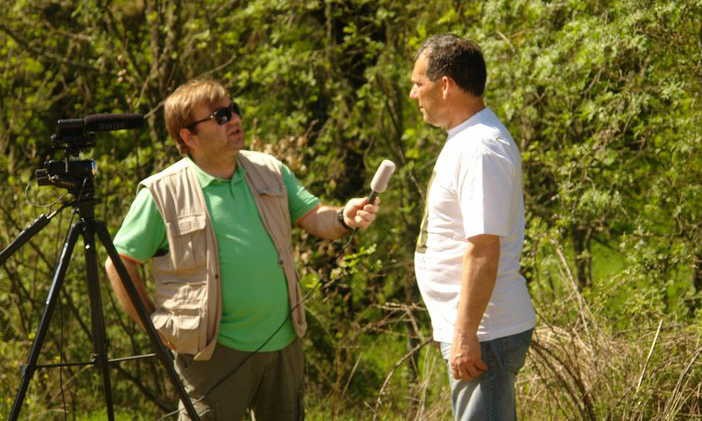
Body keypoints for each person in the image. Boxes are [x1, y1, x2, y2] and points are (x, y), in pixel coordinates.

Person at [104, 79, 379, 420]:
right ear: (188, 137)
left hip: (283, 344)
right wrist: (154, 325)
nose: (233, 119)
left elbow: (315, 217)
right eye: (219, 116)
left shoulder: (270, 170)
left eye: (233, 109)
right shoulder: (163, 192)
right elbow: (119, 263)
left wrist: (344, 216)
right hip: (211, 355)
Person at [410, 34, 536, 420]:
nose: (414, 94)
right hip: (477, 330)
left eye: (418, 83)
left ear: (444, 84)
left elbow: (483, 248)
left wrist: (466, 334)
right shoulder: (466, 140)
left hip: (485, 333)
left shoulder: (481, 148)